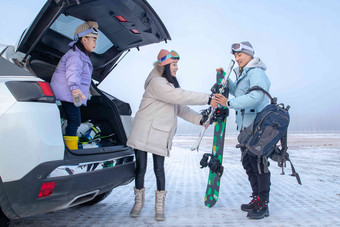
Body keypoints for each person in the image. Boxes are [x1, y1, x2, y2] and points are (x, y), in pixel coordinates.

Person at [127, 49, 217, 221]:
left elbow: (180, 107)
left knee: (159, 169)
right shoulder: (157, 83)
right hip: (143, 131)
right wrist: (208, 98)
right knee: (141, 169)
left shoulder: (170, 85)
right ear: (165, 65)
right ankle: (138, 202)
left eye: (177, 65)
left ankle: (159, 206)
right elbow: (179, 96)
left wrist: (200, 119)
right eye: (174, 65)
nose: (177, 68)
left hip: (160, 133)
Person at [214, 41, 271, 219]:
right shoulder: (244, 73)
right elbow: (241, 93)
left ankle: (263, 204)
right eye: (235, 56)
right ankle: (257, 199)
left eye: (240, 55)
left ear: (250, 55)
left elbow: (256, 97)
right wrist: (225, 79)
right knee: (249, 164)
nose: (237, 58)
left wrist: (228, 103)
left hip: (258, 128)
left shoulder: (256, 72)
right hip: (246, 128)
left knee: (259, 165)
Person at [50, 21, 98, 149]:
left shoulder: (80, 54)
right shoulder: (76, 55)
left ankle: (68, 146)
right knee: (75, 121)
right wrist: (75, 90)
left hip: (68, 94)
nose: (95, 43)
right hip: (68, 93)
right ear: (84, 39)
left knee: (72, 120)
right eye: (93, 39)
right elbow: (73, 73)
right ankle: (70, 149)